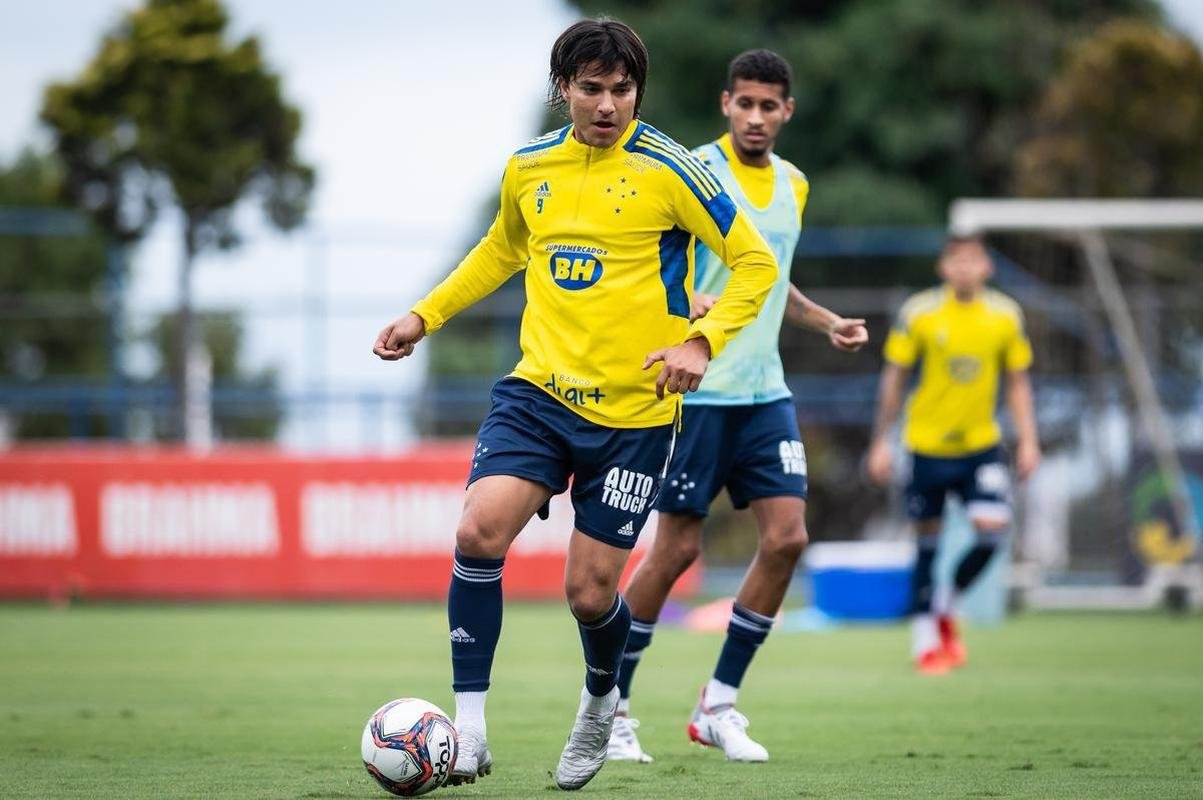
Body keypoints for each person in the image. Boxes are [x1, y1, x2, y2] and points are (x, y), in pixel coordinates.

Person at [372, 19, 779, 791]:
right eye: (590, 89)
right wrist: (424, 315)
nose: (606, 104)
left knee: (589, 594)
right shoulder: (528, 168)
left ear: (637, 94)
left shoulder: (671, 171)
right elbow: (501, 247)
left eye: (620, 90)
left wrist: (701, 341)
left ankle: (600, 702)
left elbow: (752, 263)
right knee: (476, 529)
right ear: (562, 89)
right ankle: (470, 729)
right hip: (538, 395)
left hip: (633, 417)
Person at [606, 49, 868, 765]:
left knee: (786, 540)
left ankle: (718, 705)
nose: (755, 116)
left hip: (765, 392)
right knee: (678, 550)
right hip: (700, 392)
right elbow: (655, 258)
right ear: (726, 104)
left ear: (787, 112)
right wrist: (681, 302)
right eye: (744, 103)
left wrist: (825, 321)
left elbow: (770, 278)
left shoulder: (793, 184)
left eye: (769, 105)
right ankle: (611, 707)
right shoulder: (691, 171)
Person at [866, 235, 1041, 675]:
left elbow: (1018, 381)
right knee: (928, 543)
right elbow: (895, 377)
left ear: (987, 268)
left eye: (973, 261)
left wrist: (1029, 439)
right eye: (956, 261)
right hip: (925, 445)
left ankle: (946, 603)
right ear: (943, 268)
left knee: (992, 532)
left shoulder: (1005, 315)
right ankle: (926, 642)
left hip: (981, 445)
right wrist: (881, 439)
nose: (965, 268)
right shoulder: (920, 312)